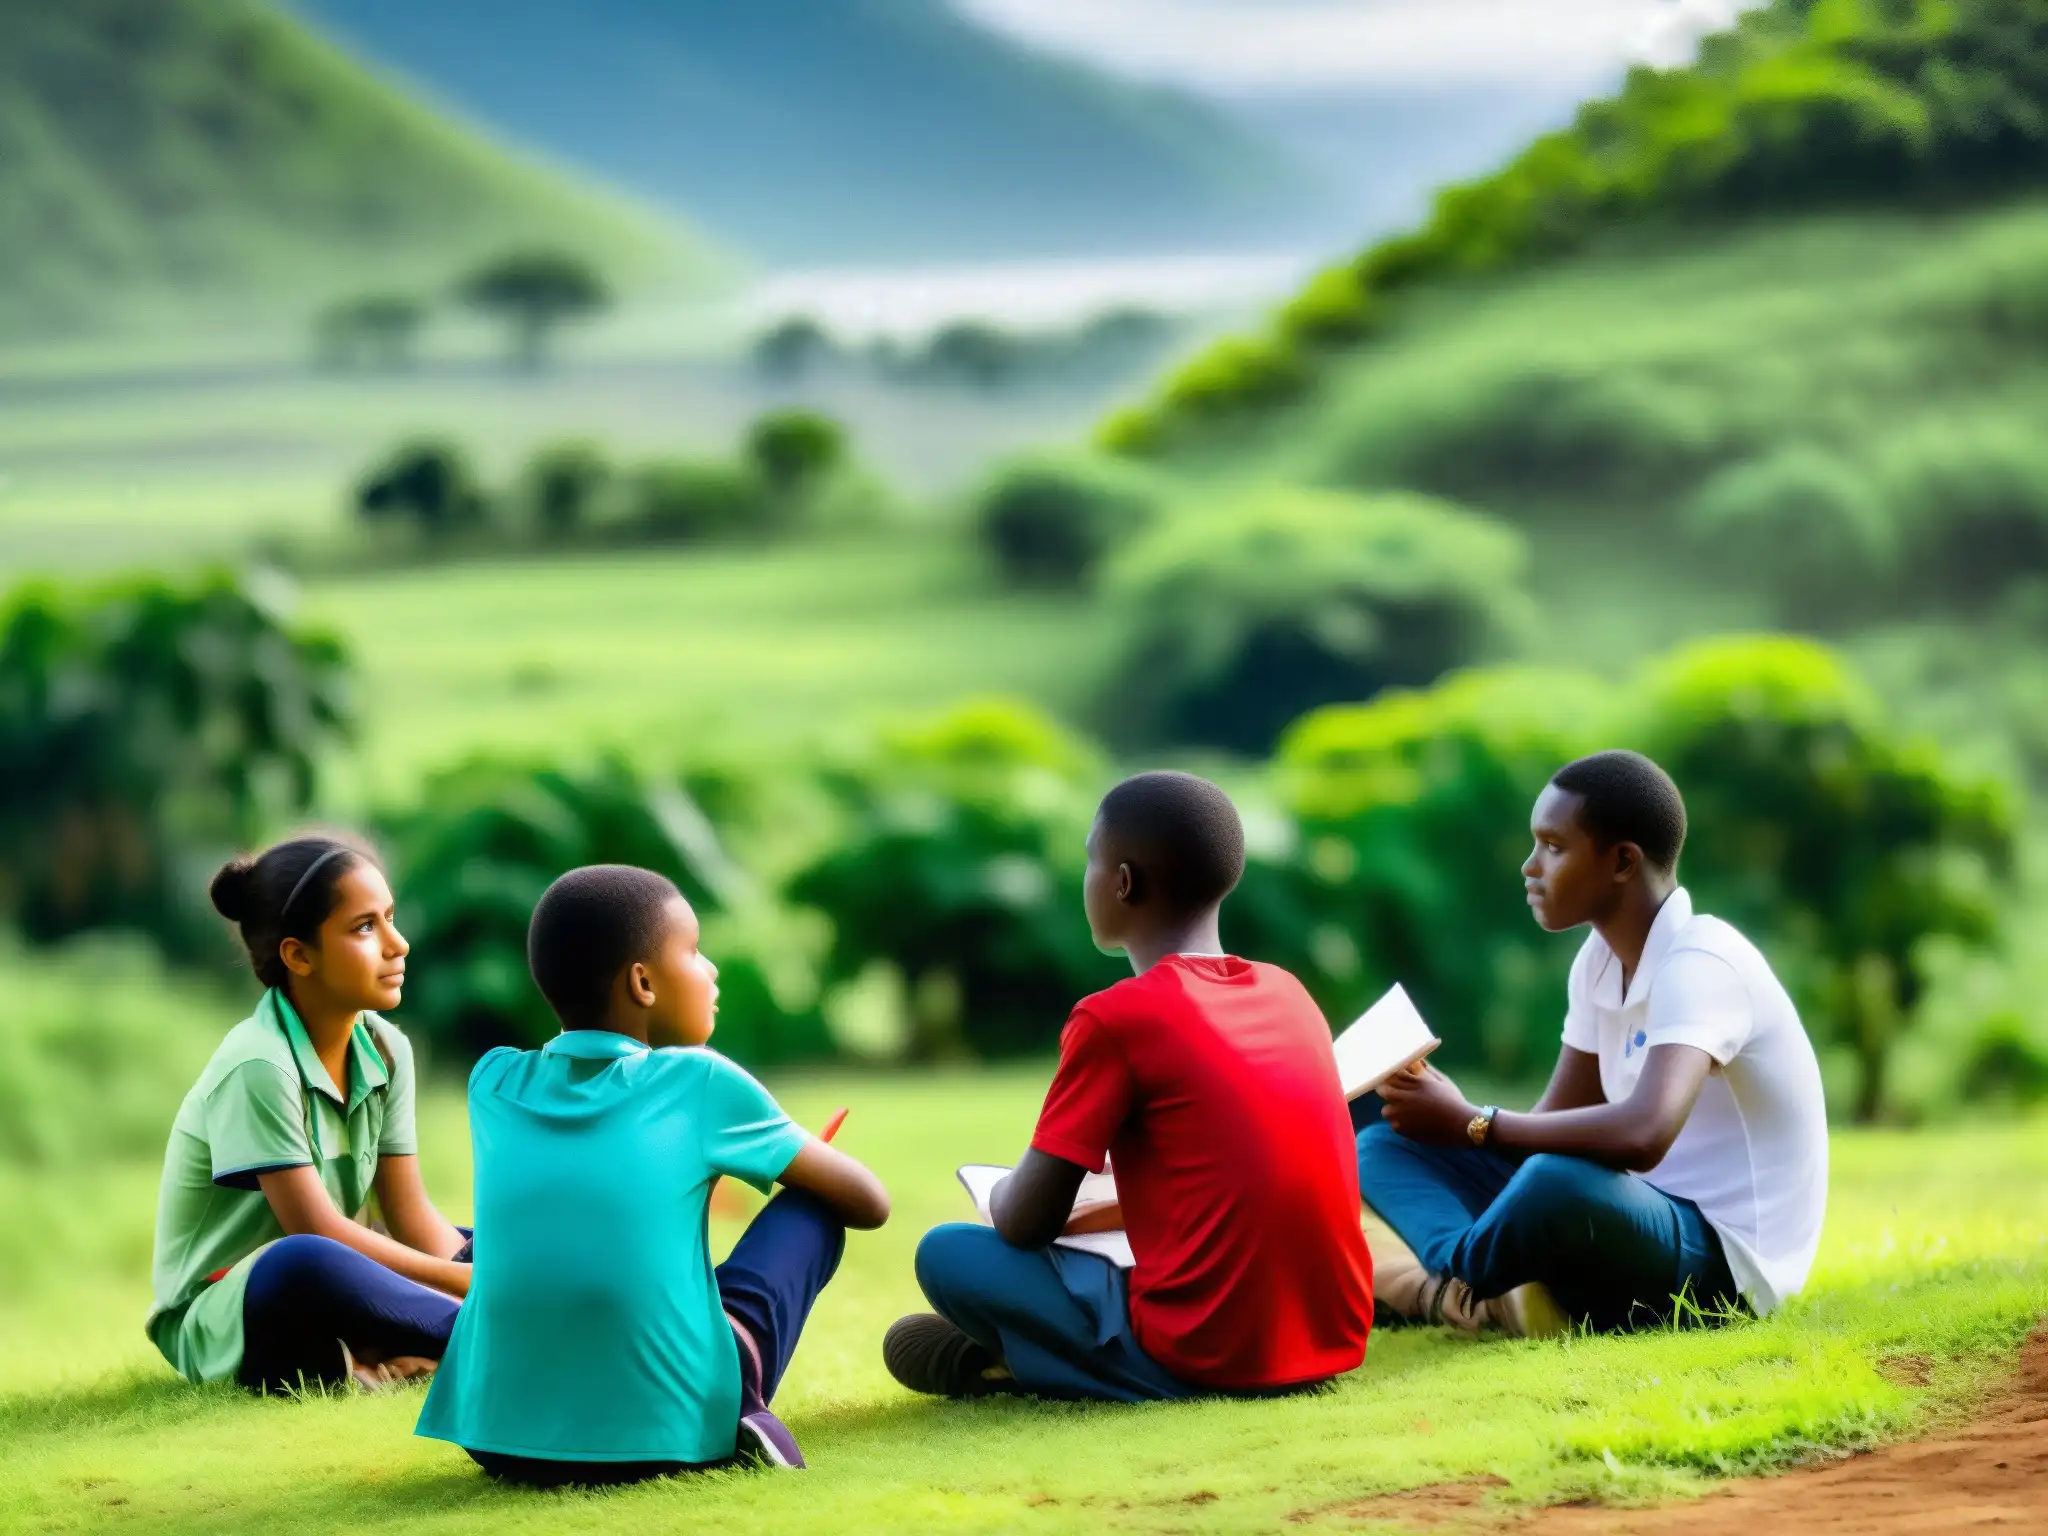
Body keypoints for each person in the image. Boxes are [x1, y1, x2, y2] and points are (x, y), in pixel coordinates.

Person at [885, 771, 1373, 1403]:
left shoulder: (1115, 1018)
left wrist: (1001, 1190)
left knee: (947, 1252)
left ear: (1123, 881)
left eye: (1091, 858)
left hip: (1207, 1351)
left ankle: (1041, 1361)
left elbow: (1027, 1223)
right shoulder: (1289, 991)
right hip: (1332, 1335)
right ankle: (1016, 1352)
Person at [415, 865, 890, 1485]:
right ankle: (731, 1405)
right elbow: (869, 1200)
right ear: (642, 982)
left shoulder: (493, 1081)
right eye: (693, 952)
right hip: (660, 1432)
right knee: (815, 1209)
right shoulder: (699, 1081)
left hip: (497, 1435)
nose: (710, 969)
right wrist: (792, 1157)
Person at [1357, 750, 1829, 1336]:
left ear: (1623, 862)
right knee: (1383, 1147)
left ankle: (1447, 1291)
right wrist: (1443, 1111)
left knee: (1553, 1185)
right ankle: (1491, 1285)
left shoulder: (1702, 961)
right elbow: (1552, 1124)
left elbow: (1643, 1133)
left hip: (1726, 1267)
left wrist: (1475, 1122)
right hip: (1630, 1215)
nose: (1530, 867)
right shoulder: (1600, 963)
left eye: (1553, 847)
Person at [147, 835, 470, 1394]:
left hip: (341, 1275)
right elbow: (315, 1230)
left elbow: (409, 1212)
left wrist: (482, 1267)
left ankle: (382, 1356)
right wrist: (473, 1286)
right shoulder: (258, 1063)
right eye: (365, 927)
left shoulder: (388, 1050)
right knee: (303, 1262)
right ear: (299, 955)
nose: (399, 944)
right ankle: (488, 1333)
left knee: (505, 1239)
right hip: (236, 1307)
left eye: (390, 918)